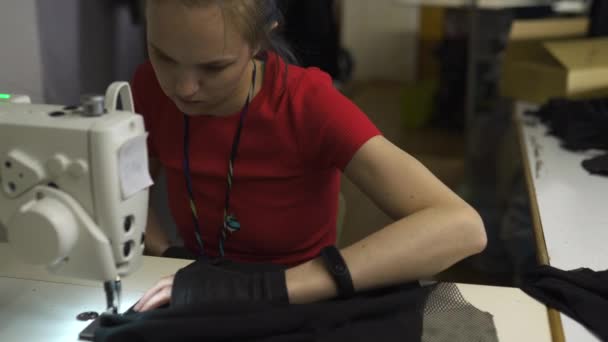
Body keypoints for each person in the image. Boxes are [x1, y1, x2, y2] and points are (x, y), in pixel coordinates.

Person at [131, 0, 487, 313]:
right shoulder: (149, 87)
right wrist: (165, 253)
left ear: (260, 39)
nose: (183, 87)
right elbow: (126, 188)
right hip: (198, 286)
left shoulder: (308, 106)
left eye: (213, 68)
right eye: (163, 55)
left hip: (293, 296)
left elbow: (462, 226)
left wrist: (265, 290)